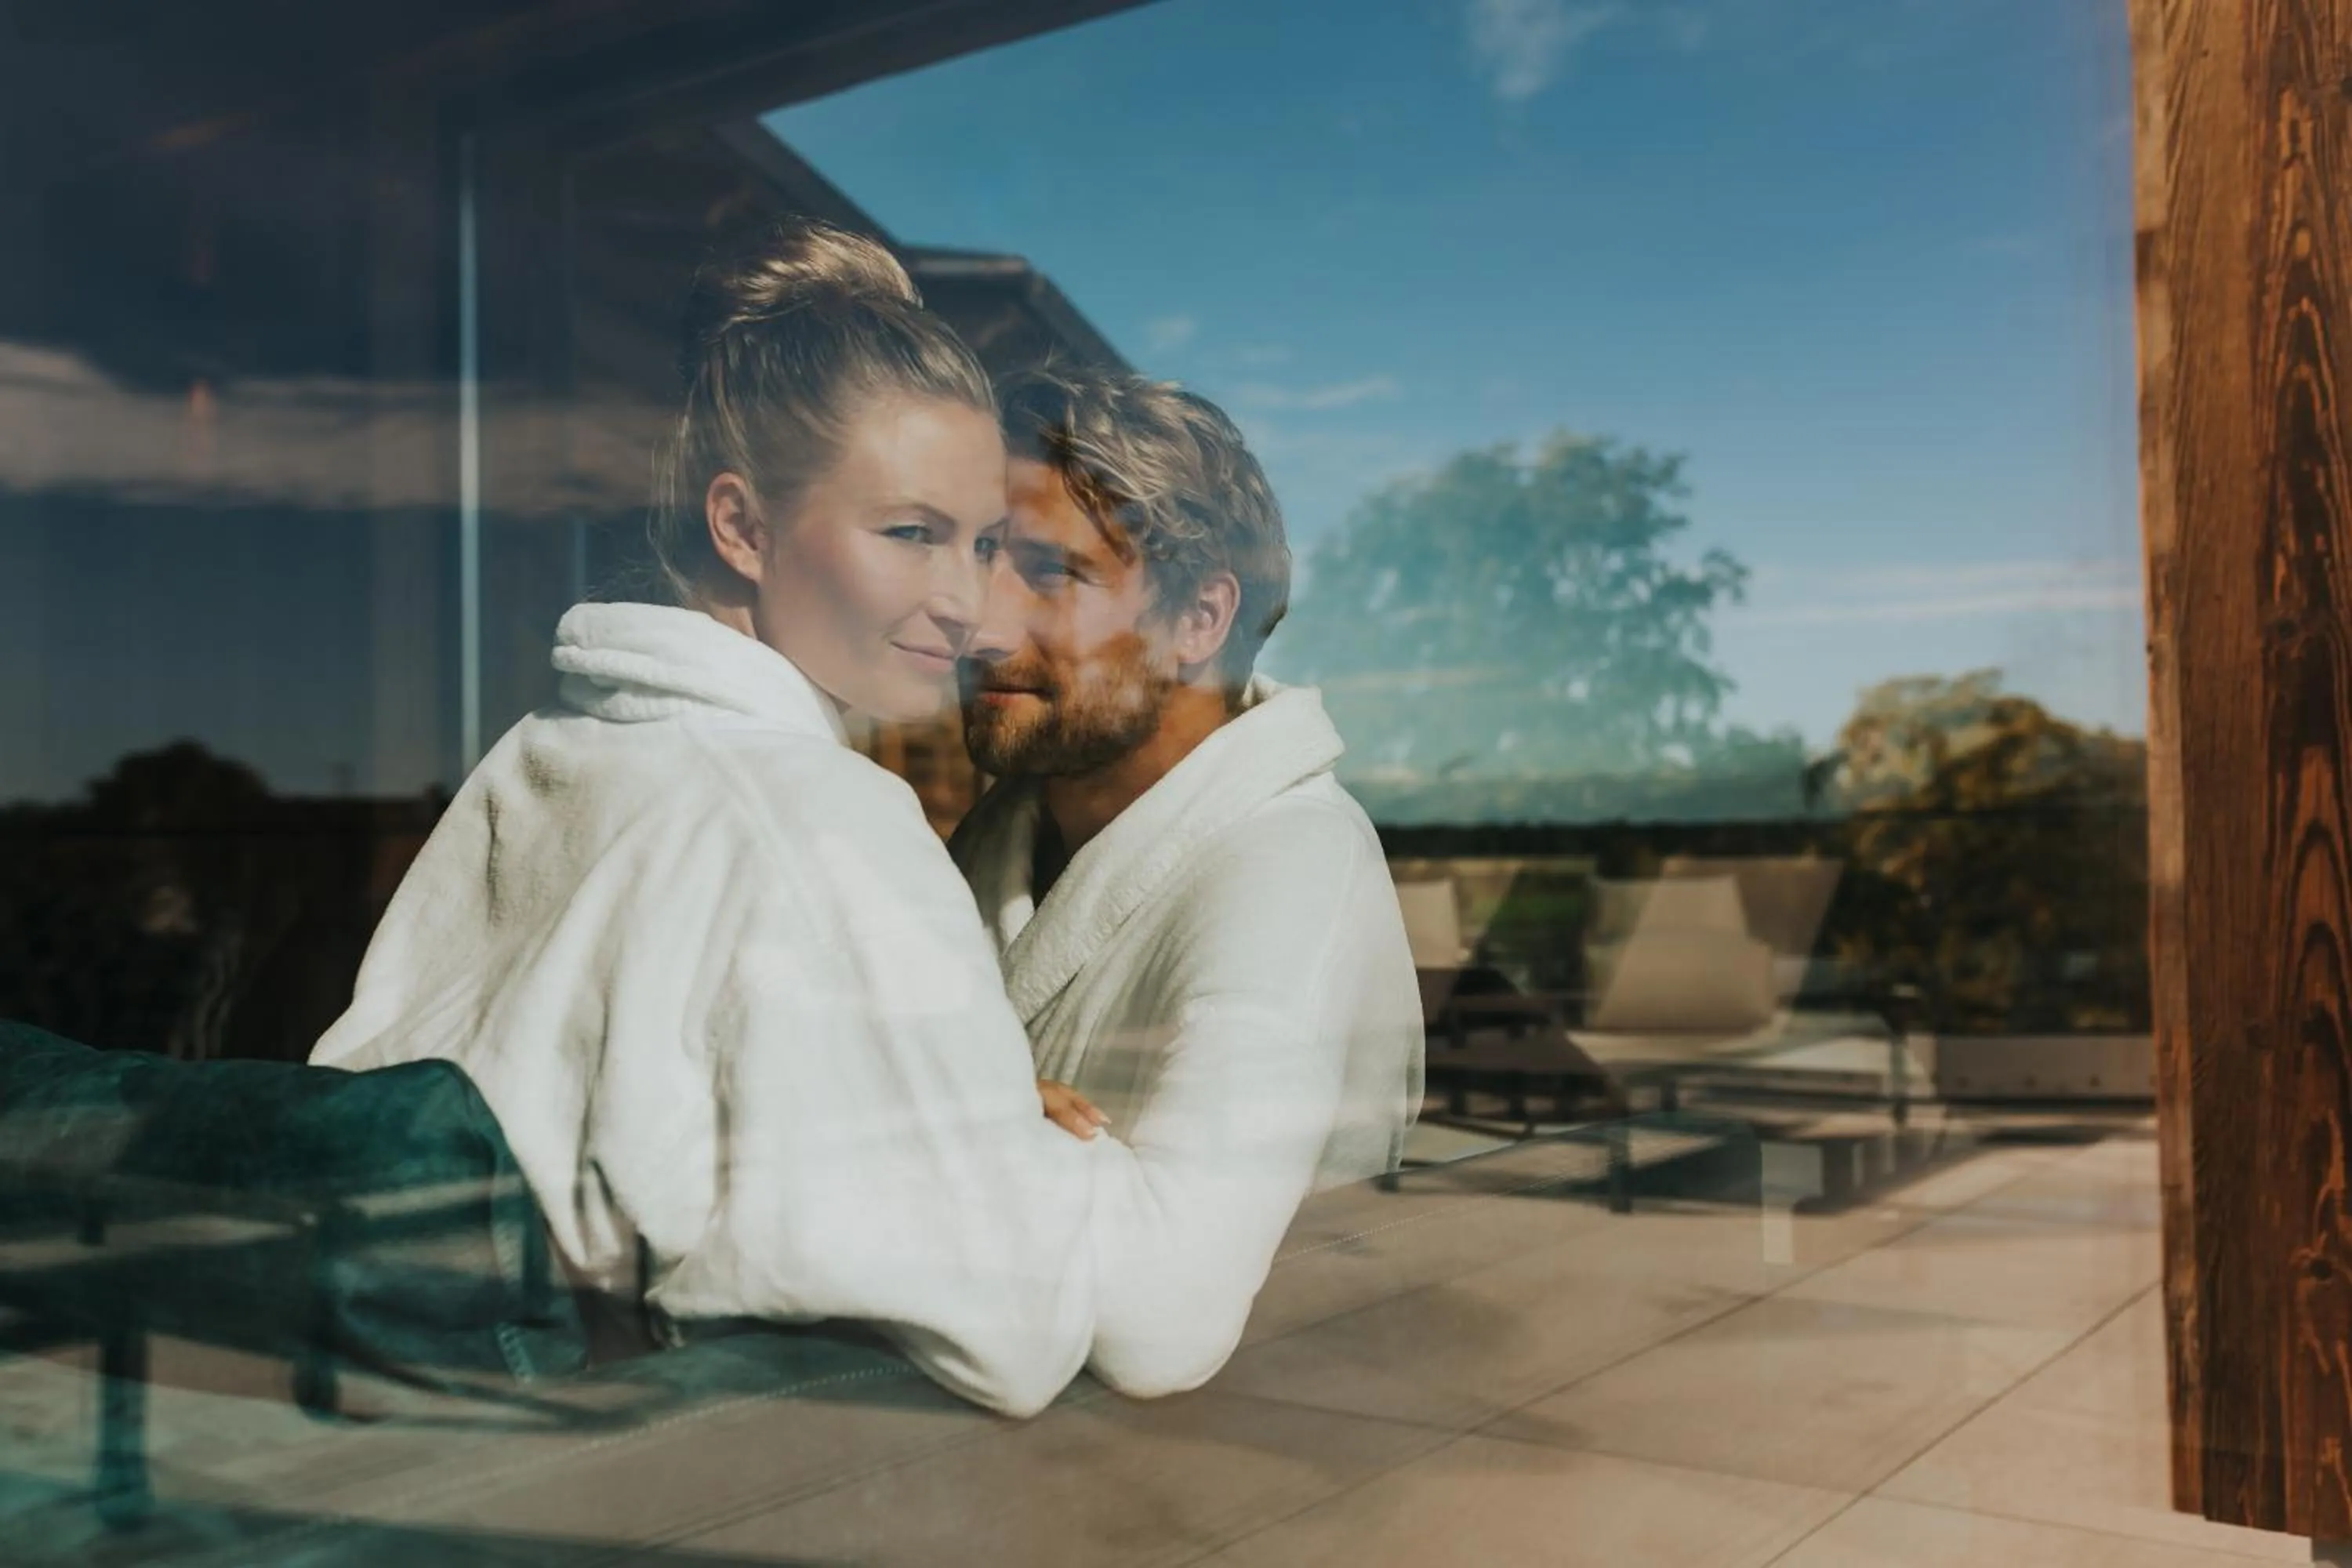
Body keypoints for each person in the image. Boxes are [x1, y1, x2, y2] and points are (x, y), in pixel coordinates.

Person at [310, 220, 1121, 1417]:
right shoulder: (824, 818)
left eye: (986, 544)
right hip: (629, 1482)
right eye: (911, 534)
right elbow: (1012, 1336)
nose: (966, 605)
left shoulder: (543, 760)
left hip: (374, 1438)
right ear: (742, 526)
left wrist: (967, 1105)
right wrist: (1031, 1140)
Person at [950, 368, 1426, 1389]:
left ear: (1199, 621)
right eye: (985, 559)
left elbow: (1159, 1319)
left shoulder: (1292, 865)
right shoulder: (1005, 833)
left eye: (1049, 572)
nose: (979, 624)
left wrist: (940, 1110)